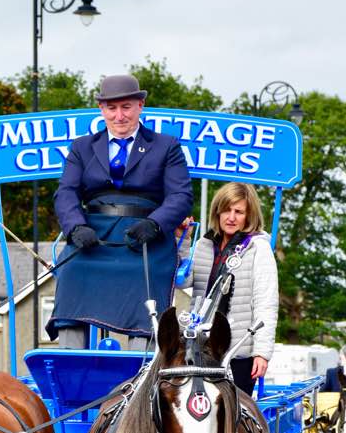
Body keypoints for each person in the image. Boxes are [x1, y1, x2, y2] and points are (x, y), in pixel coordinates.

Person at [48, 74, 194, 349]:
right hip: (94, 236)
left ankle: (140, 361)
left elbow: (181, 195)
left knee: (148, 278)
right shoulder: (82, 147)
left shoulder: (166, 146)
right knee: (71, 269)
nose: (119, 116)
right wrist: (76, 227)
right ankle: (70, 357)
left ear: (140, 106)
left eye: (126, 107)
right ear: (101, 109)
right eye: (112, 108)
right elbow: (66, 192)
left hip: (145, 238)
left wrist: (155, 224)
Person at [188, 182, 278, 396]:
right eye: (226, 210)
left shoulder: (258, 248)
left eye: (239, 212)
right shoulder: (203, 244)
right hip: (200, 347)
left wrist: (262, 353)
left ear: (249, 216)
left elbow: (266, 303)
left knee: (231, 412)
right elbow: (182, 281)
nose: (231, 217)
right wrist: (181, 239)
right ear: (217, 211)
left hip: (239, 352)